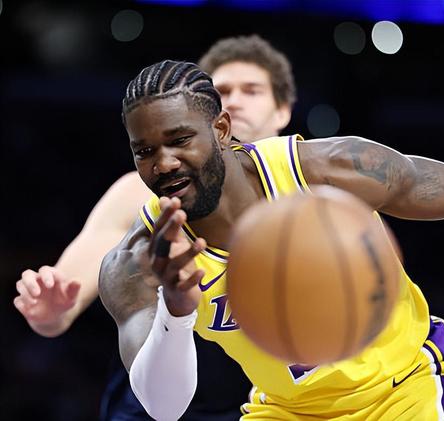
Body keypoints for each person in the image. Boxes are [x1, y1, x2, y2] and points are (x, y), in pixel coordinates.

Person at [99, 59, 444, 421]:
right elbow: (164, 408)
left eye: (180, 140)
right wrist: (177, 311)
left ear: (221, 129)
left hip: (403, 393)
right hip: (287, 411)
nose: (163, 163)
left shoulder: (323, 169)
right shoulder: (137, 262)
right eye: (144, 151)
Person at [13, 35, 295, 420]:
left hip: (269, 406)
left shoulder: (309, 192)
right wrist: (49, 311)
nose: (235, 100)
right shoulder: (137, 194)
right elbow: (61, 306)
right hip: (150, 408)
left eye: (251, 90)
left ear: (282, 111)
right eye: (223, 90)